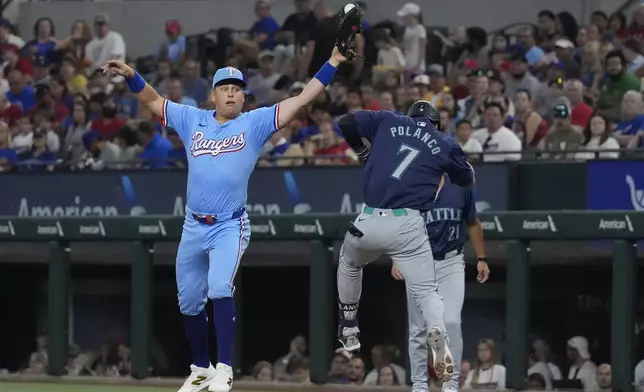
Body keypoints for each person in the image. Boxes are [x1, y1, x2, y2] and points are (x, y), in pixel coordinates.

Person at [102, 41, 347, 392]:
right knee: (188, 301)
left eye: (237, 90)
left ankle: (225, 368)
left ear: (244, 97)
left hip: (230, 224)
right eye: (225, 90)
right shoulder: (192, 119)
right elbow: (154, 102)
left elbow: (303, 99)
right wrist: (132, 75)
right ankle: (200, 368)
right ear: (213, 96)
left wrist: (333, 60)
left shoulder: (255, 123)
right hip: (193, 224)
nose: (231, 95)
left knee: (219, 287)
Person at [335, 100, 475, 383]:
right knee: (427, 293)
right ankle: (437, 329)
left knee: (349, 263)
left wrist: (362, 149)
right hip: (408, 224)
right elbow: (468, 180)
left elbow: (346, 123)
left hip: (370, 218)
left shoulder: (388, 120)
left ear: (411, 117)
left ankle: (348, 324)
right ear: (435, 123)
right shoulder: (444, 142)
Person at [390, 133, 490, 392]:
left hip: (451, 261)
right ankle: (420, 385)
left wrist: (481, 258)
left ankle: (450, 384)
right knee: (418, 330)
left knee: (451, 322)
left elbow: (472, 222)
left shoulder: (460, 185)